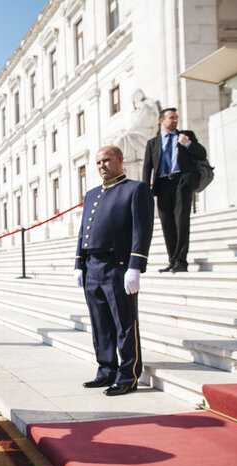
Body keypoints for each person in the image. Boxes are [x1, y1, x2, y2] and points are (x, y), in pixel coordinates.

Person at [74, 146, 154, 396]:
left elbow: (142, 230)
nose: (102, 166)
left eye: (106, 160)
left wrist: (136, 265)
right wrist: (79, 263)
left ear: (120, 160)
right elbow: (82, 231)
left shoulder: (135, 189)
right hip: (92, 266)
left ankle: (128, 375)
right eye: (98, 162)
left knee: (124, 322)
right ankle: (106, 369)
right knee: (100, 324)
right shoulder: (92, 194)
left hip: (117, 265)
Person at [142, 107, 207, 273]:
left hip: (182, 182)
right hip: (162, 185)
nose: (175, 120)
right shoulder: (153, 143)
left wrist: (189, 144)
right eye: (171, 118)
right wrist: (145, 189)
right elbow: (147, 167)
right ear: (161, 120)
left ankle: (181, 261)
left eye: (176, 118)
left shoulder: (186, 135)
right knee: (167, 224)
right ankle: (172, 260)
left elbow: (202, 153)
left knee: (181, 221)